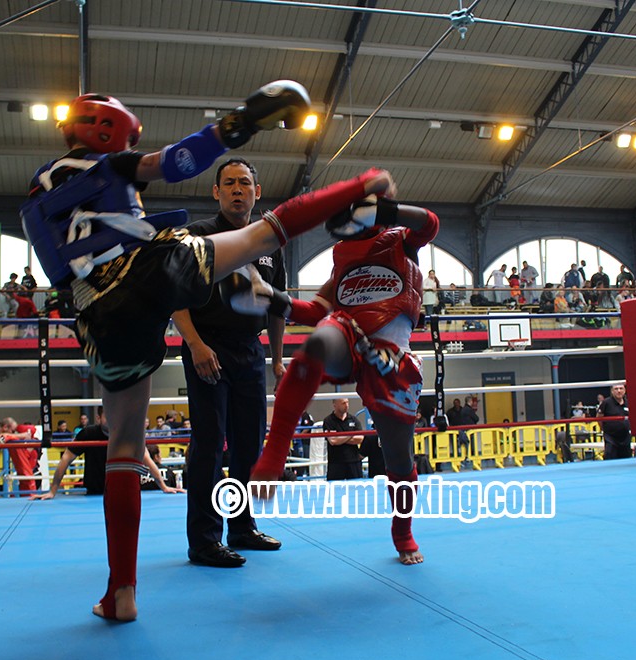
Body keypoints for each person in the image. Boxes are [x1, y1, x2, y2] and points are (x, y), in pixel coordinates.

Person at [20, 85, 396, 620]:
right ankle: (363, 184)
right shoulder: (117, 165)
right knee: (263, 237)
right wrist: (240, 123)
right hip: (148, 275)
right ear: (113, 132)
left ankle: (121, 592)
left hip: (98, 318)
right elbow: (178, 161)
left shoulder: (39, 188)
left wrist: (272, 357)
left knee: (125, 448)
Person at [245, 190, 440, 566]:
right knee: (318, 340)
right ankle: (275, 452)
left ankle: (402, 529)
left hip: (389, 358)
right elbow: (316, 310)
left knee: (399, 460)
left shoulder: (402, 241)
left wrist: (388, 210)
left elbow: (430, 223)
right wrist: (272, 298)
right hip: (349, 338)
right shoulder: (342, 257)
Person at [172, 158, 286, 568]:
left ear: (257, 190)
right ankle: (203, 540)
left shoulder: (271, 241)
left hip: (250, 350)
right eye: (229, 183)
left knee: (248, 444)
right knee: (208, 444)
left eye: (245, 183)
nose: (238, 189)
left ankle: (241, 527)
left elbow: (277, 307)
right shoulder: (198, 237)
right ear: (216, 192)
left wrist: (276, 359)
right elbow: (177, 296)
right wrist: (196, 344)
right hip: (208, 348)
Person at [32, 409, 180, 498]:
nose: (112, 420)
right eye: (107, 416)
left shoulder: (127, 433)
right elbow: (65, 459)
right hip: (95, 490)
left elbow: (147, 459)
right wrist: (53, 490)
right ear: (98, 418)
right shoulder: (88, 433)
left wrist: (164, 486)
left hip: (123, 491)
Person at [321, 398, 364, 480]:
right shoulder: (328, 421)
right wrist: (351, 434)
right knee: (334, 490)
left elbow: (360, 439)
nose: (347, 405)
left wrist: (341, 438)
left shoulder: (353, 419)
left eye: (347, 402)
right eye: (343, 403)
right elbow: (333, 441)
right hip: (336, 463)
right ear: (335, 405)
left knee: (356, 489)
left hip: (353, 462)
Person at [0, 417, 39, 493]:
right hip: (26, 473)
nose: (14, 432)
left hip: (28, 472)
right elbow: (1, 439)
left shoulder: (26, 442)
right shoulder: (14, 440)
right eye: (13, 430)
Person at [597, 384, 631, 459]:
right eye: (616, 389)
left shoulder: (628, 403)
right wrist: (603, 429)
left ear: (624, 390)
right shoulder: (606, 402)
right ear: (612, 391)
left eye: (621, 388)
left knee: (627, 460)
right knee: (610, 459)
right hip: (611, 438)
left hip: (625, 437)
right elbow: (599, 417)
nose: (619, 391)